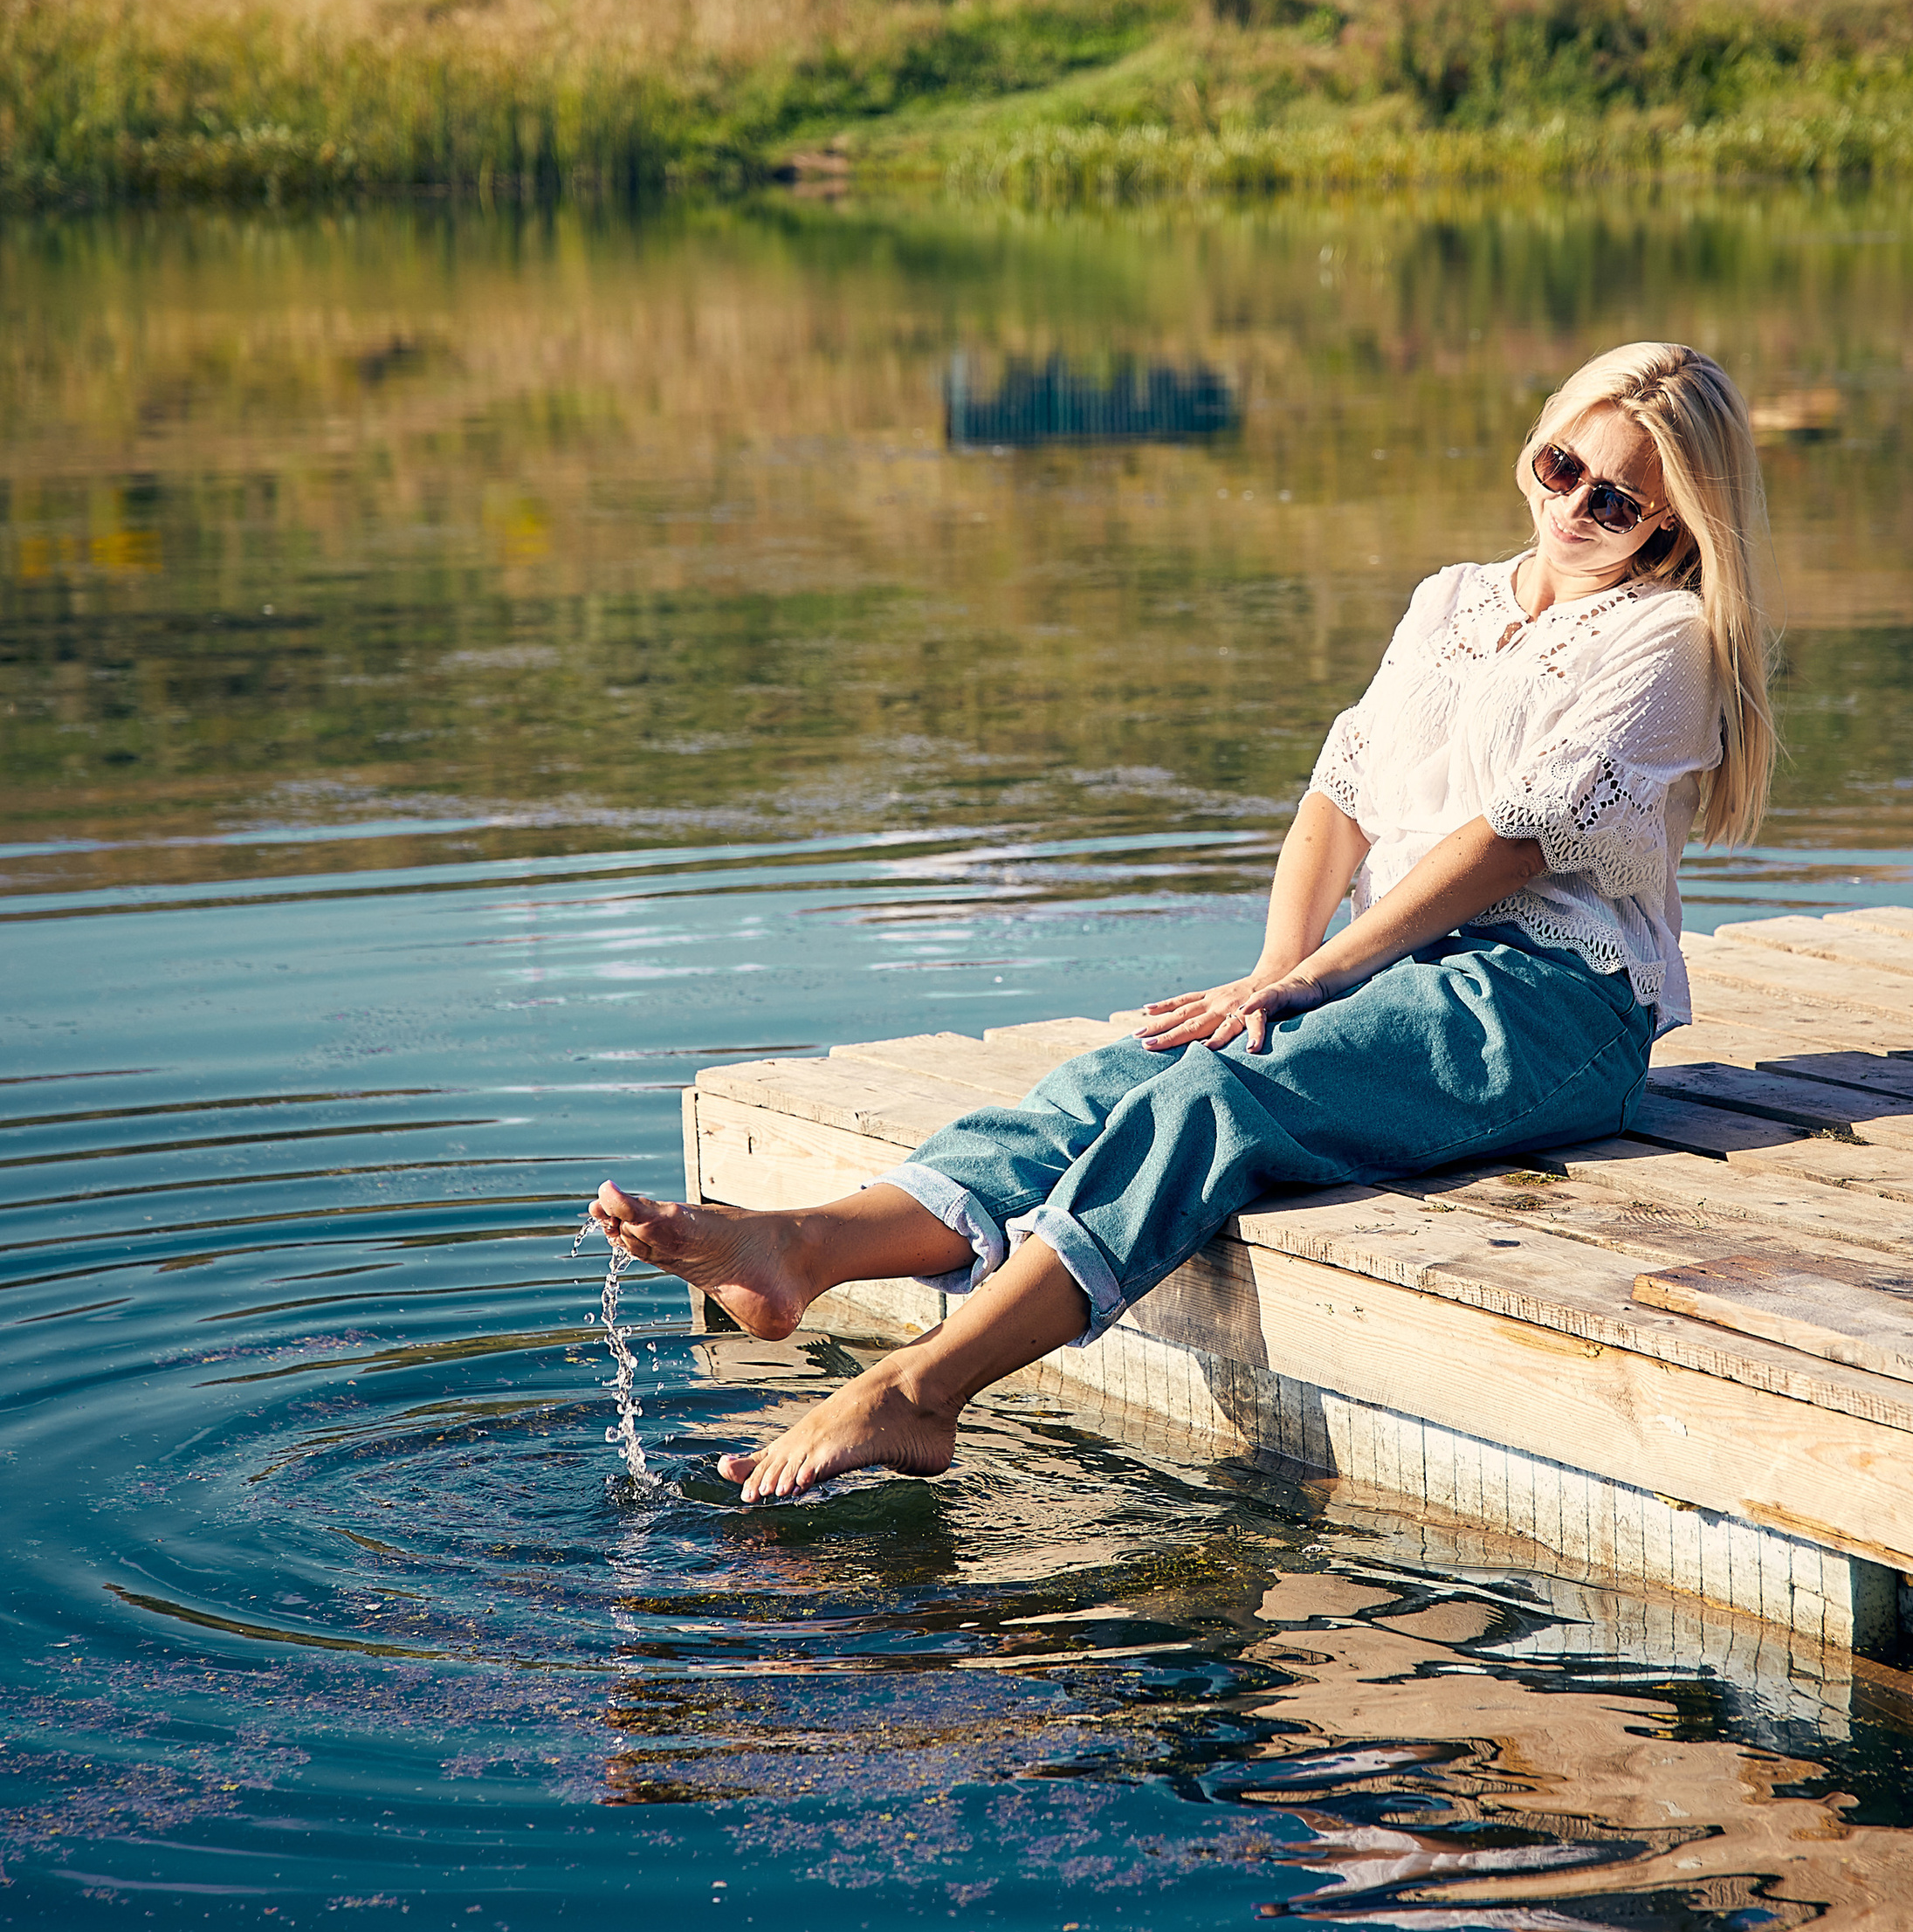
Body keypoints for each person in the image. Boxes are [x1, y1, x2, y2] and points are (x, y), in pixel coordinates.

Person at [593, 337, 1775, 1503]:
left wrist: (1313, 981)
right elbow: (1343, 790)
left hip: (1550, 1004)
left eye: (1616, 503)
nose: (1572, 509)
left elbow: (1505, 845)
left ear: (1671, 528)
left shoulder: (1662, 642)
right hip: (1389, 965)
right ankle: (805, 1247)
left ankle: (923, 1393)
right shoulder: (1453, 601)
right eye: (1560, 467)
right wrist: (1273, 970)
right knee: (1131, 1071)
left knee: (1217, 1103)